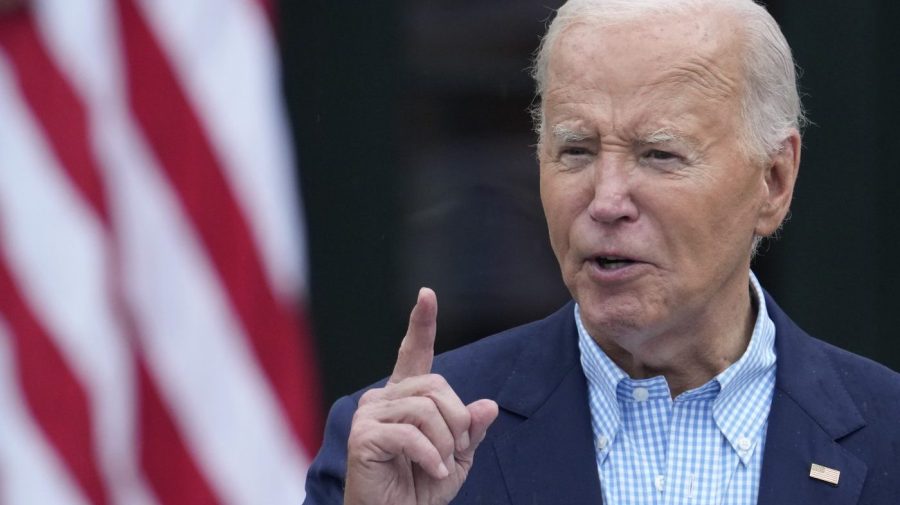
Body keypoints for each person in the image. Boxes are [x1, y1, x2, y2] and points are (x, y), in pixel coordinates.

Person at [304, 0, 900, 503]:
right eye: (576, 151)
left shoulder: (887, 437)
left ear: (773, 181)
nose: (607, 200)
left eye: (659, 154)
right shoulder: (407, 448)